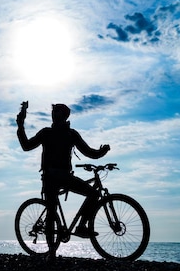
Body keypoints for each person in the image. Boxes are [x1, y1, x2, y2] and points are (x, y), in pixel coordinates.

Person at [16, 101, 110, 258]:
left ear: (65, 115)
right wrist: (20, 125)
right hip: (50, 177)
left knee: (93, 194)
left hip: (64, 176)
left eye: (57, 112)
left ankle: (81, 227)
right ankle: (52, 251)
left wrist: (102, 152)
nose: (54, 115)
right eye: (53, 113)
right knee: (52, 212)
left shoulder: (71, 134)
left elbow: (90, 153)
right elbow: (26, 146)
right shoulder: (46, 132)